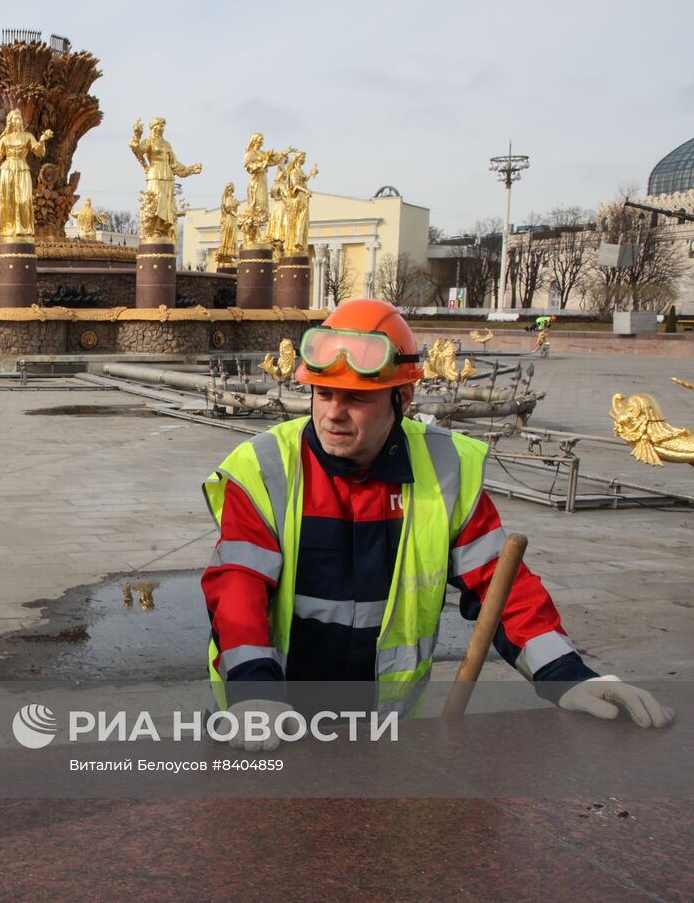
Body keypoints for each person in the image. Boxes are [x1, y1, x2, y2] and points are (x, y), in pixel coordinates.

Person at [201, 298, 673, 750]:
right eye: (323, 394)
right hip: (270, 721)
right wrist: (253, 689)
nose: (332, 414)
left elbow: (499, 587)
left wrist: (565, 674)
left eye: (356, 398)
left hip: (387, 734)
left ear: (402, 397)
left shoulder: (445, 470)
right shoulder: (267, 468)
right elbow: (239, 586)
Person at [0, 109, 53, 239]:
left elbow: (39, 152)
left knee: (24, 200)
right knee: (8, 200)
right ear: (10, 122)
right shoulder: (5, 139)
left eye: (19, 119)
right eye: (15, 119)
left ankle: (23, 228)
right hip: (7, 170)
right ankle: (9, 229)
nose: (18, 121)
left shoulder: (27, 137)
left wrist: (42, 141)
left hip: (22, 169)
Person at [129, 117, 201, 241]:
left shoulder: (167, 144)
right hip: (155, 175)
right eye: (160, 126)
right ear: (153, 127)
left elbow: (174, 164)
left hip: (168, 176)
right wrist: (136, 135)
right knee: (157, 202)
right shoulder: (149, 141)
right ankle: (154, 230)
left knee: (167, 204)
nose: (162, 129)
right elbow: (138, 151)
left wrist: (190, 169)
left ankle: (162, 229)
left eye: (163, 126)